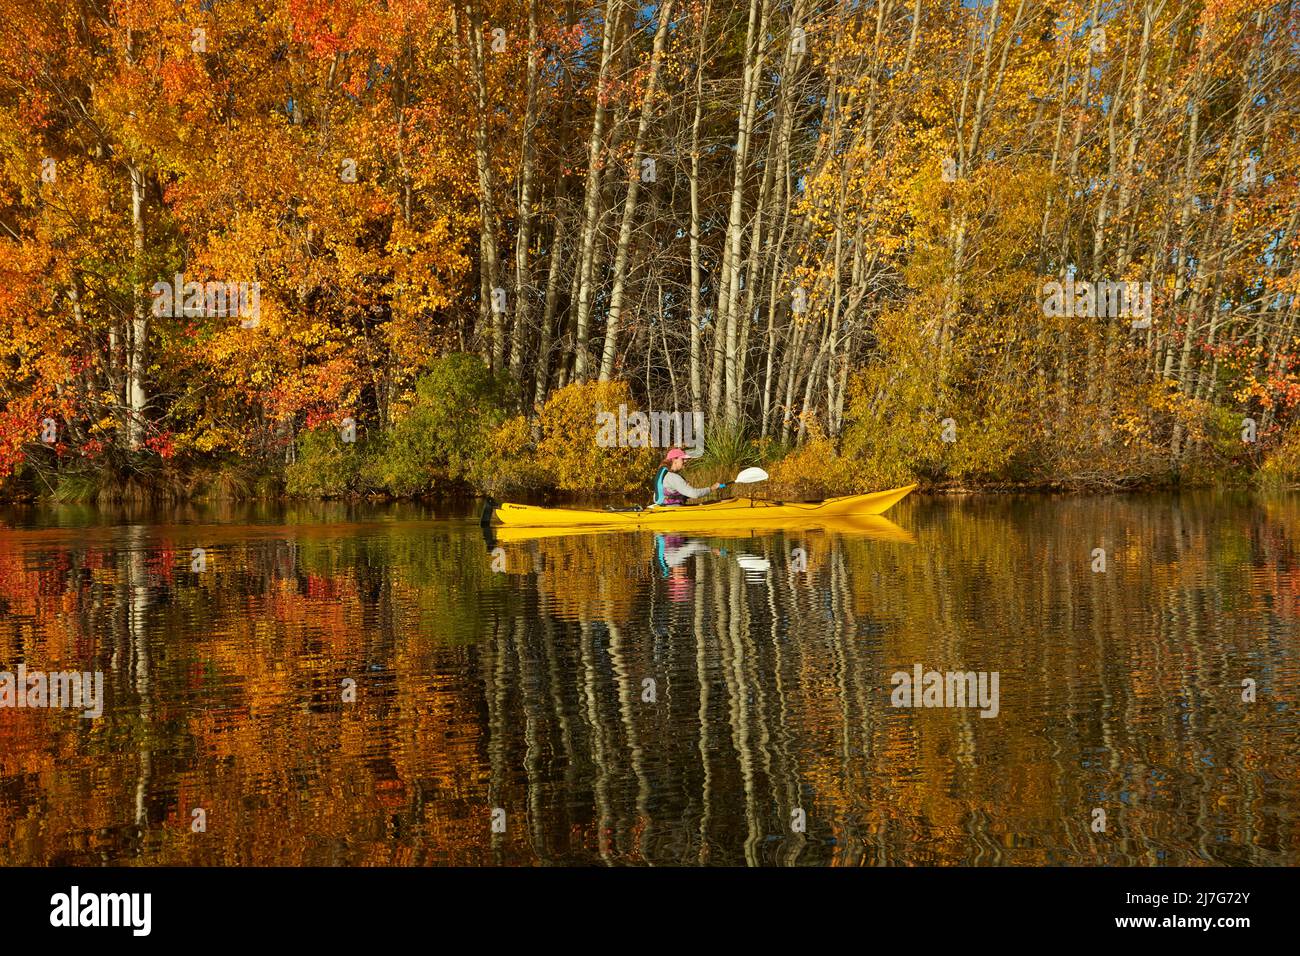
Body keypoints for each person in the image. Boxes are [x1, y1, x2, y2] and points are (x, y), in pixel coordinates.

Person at [653, 447, 721, 506]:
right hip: (673, 510)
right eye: (682, 459)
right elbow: (694, 494)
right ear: (674, 460)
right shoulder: (673, 477)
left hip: (662, 507)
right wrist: (712, 488)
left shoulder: (663, 473)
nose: (685, 461)